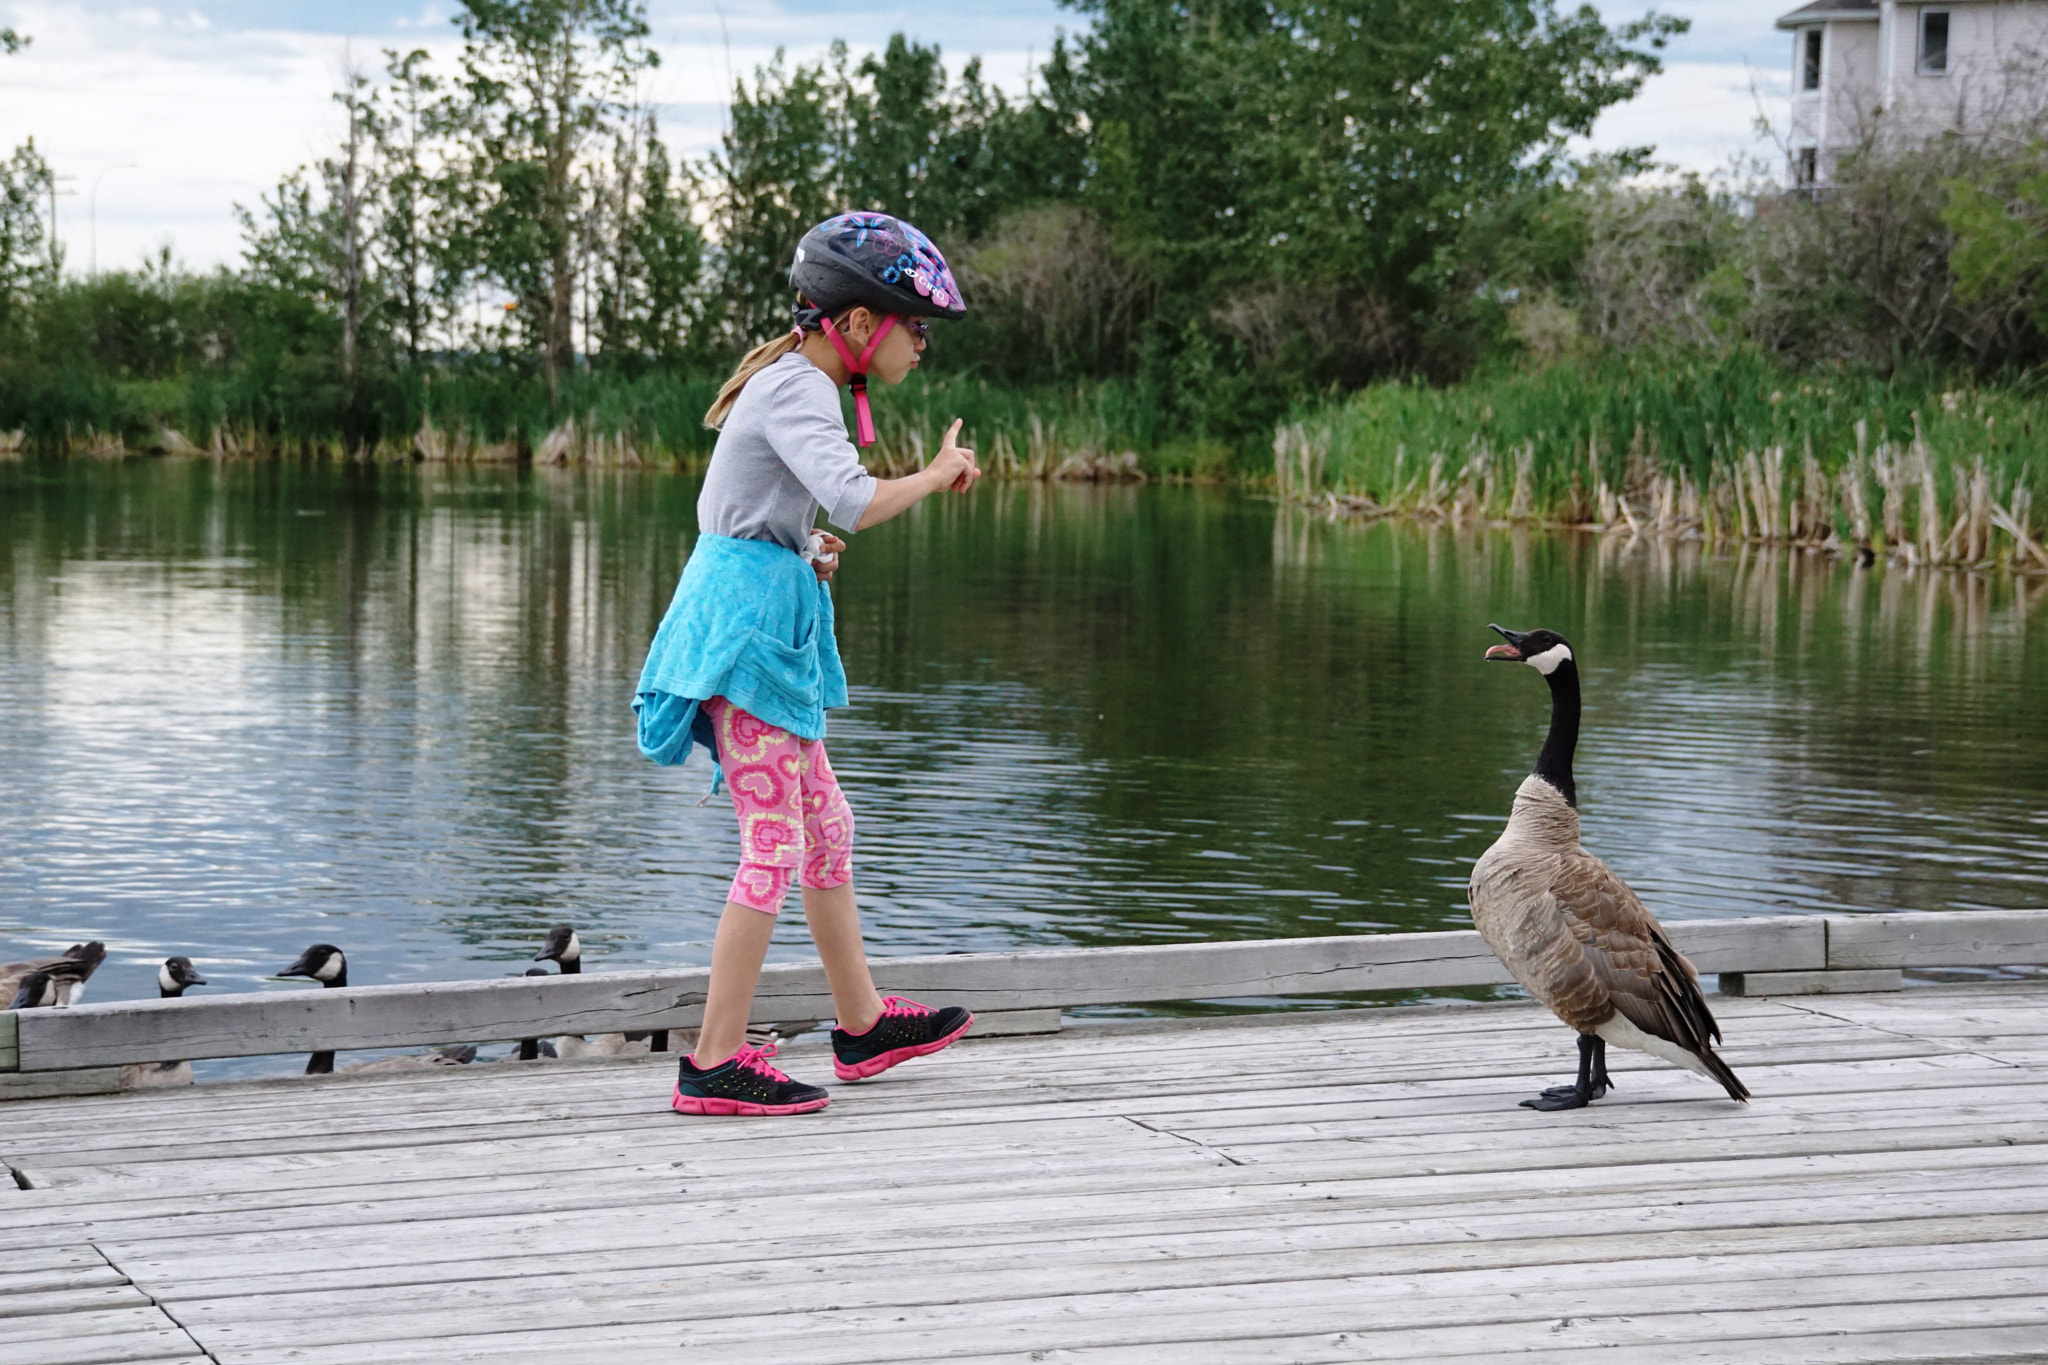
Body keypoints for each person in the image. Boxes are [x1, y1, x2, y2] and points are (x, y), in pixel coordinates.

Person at [634, 211, 981, 1117]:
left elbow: (768, 510)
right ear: (861, 324)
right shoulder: (798, 389)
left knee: (828, 825)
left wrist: (801, 547)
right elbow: (858, 499)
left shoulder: (801, 384)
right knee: (775, 842)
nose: (921, 349)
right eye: (917, 328)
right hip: (744, 645)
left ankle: (862, 1025)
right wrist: (939, 474)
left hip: (764, 631)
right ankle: (714, 1059)